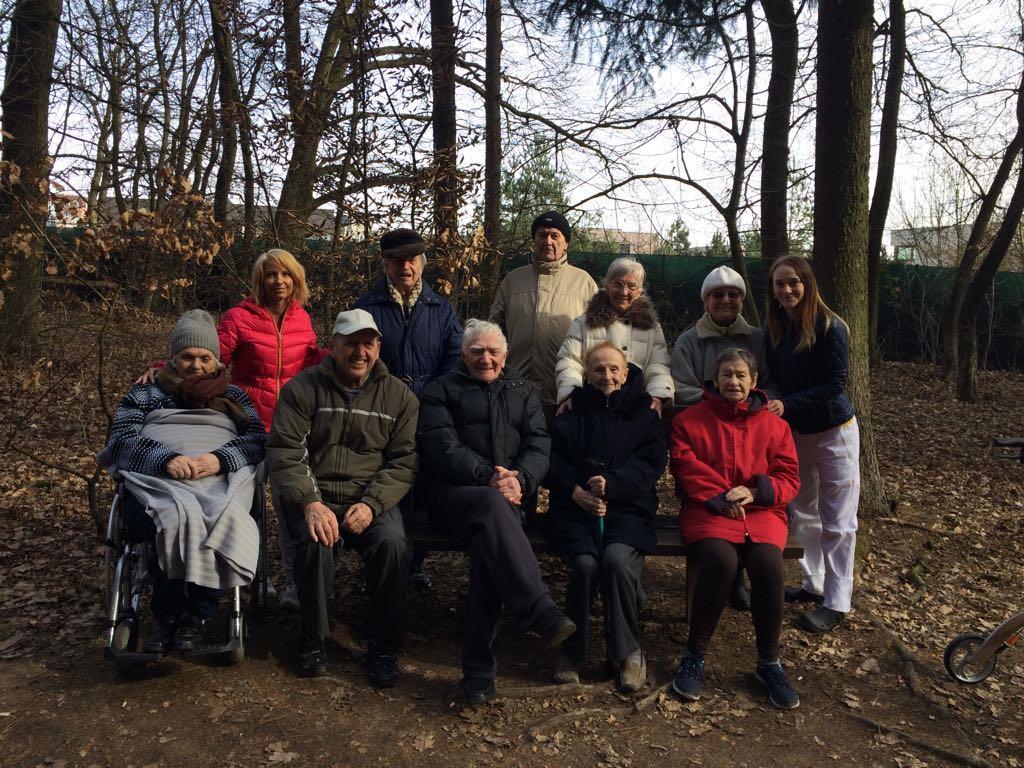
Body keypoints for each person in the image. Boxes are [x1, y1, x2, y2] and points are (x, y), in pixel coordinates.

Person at [138, 249, 326, 612]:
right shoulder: (240, 317)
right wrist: (162, 366)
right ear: (260, 280)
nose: (279, 281)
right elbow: (206, 356)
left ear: (296, 279)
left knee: (293, 504)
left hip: (291, 427)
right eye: (271, 275)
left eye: (286, 274)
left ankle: (291, 582)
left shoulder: (303, 319)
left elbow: (309, 360)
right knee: (249, 503)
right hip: (248, 426)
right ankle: (249, 576)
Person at [417, 319, 576, 704]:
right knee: (492, 512)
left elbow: (539, 444)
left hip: (509, 500)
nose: (485, 359)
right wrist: (489, 477)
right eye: (477, 352)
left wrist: (520, 480)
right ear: (463, 354)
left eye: (493, 352)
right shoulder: (440, 390)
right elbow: (440, 446)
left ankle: (478, 677)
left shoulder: (522, 392)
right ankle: (540, 609)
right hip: (452, 501)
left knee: (491, 551)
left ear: (505, 356)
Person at [99, 310, 266, 654]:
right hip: (158, 482)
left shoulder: (235, 397)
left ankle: (195, 616)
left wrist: (218, 459)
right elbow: (120, 440)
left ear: (217, 360)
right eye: (187, 356)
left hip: (217, 479)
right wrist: (166, 459)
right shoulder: (145, 393)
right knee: (172, 518)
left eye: (205, 357)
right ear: (172, 358)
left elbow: (257, 441)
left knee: (224, 518)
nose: (196, 365)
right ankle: (166, 616)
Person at [267, 309, 419, 686]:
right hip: (317, 496)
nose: (359, 352)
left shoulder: (399, 396)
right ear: (333, 344)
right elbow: (285, 451)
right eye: (350, 343)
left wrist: (372, 504)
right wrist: (311, 503)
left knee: (393, 545)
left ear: (379, 347)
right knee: (315, 544)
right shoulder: (301, 389)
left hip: (369, 499)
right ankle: (313, 638)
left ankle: (383, 645)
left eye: (368, 343)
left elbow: (403, 462)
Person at [668, 348, 801, 709]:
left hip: (762, 512)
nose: (734, 382)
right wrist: (722, 495)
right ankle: (694, 655)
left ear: (754, 382)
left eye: (741, 375)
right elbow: (684, 466)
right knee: (721, 562)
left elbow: (788, 478)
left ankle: (769, 662)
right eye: (727, 374)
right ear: (715, 379)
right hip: (709, 509)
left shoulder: (777, 427)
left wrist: (757, 491)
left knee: (769, 566)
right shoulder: (690, 420)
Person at [546, 342, 667, 692]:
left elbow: (651, 463)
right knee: (585, 565)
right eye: (598, 369)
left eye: (614, 369)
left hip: (628, 507)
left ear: (626, 373)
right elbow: (552, 461)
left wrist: (613, 486)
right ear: (586, 374)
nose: (607, 376)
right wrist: (576, 491)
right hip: (576, 510)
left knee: (616, 560)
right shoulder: (572, 412)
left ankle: (628, 651)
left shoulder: (644, 414)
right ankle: (572, 651)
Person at [354, 227, 463, 589]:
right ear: (385, 263)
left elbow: (454, 356)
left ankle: (415, 561)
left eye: (412, 260)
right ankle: (381, 557)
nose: (406, 267)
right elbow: (355, 357)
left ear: (422, 263)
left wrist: (430, 393)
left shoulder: (440, 308)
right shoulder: (366, 308)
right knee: (383, 480)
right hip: (381, 412)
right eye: (398, 260)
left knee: (421, 483)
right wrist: (385, 385)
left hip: (428, 412)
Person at [670, 264, 776, 611]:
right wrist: (717, 400)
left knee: (749, 489)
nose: (726, 300)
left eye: (733, 294)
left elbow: (771, 382)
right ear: (706, 301)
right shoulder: (689, 341)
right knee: (715, 497)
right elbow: (679, 388)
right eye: (718, 294)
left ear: (742, 300)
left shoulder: (759, 339)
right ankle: (725, 573)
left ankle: (740, 574)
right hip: (706, 436)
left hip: (751, 434)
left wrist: (765, 403)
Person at [763, 255, 859, 634]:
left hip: (835, 430)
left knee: (838, 520)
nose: (786, 291)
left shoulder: (830, 326)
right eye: (779, 284)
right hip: (796, 433)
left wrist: (786, 404)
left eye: (793, 283)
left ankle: (837, 601)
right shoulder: (773, 328)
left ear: (807, 283)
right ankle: (813, 582)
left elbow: (835, 383)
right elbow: (772, 378)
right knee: (803, 511)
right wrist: (771, 398)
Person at [489, 210, 598, 423]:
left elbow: (598, 338)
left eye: (555, 235)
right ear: (534, 240)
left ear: (566, 243)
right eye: (542, 234)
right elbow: (493, 331)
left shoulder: (584, 283)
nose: (548, 241)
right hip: (515, 390)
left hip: (566, 395)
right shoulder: (512, 281)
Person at [555, 257, 673, 416]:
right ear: (607, 286)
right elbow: (569, 362)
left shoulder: (652, 328)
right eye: (618, 284)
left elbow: (658, 367)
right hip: (590, 408)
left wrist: (657, 396)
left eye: (631, 286)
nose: (624, 292)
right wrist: (571, 394)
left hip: (635, 410)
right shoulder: (583, 323)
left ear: (639, 292)